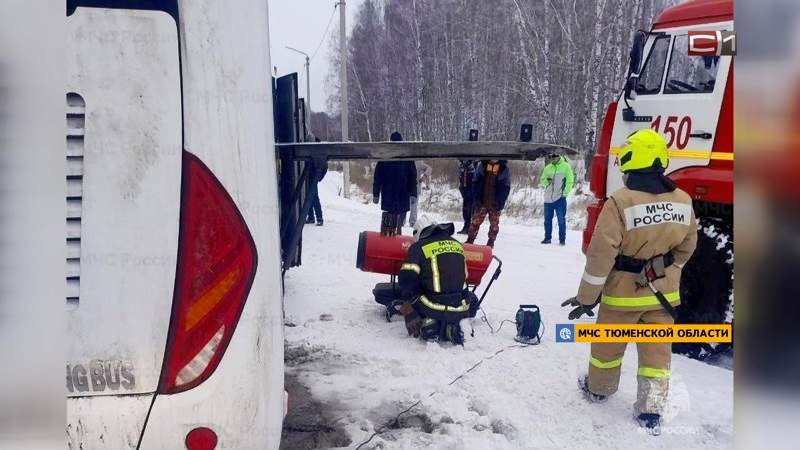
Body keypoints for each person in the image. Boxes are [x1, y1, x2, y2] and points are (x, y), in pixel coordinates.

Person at [561, 129, 697, 435]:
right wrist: (665, 269)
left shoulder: (620, 202)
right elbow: (687, 248)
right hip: (663, 296)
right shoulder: (683, 199)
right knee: (656, 355)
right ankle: (650, 411)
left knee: (608, 347)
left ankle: (600, 389)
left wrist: (586, 297)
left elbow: (601, 255)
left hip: (622, 296)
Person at [397, 215, 478, 344]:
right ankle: (452, 327)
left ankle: (430, 325)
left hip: (433, 308)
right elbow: (465, 277)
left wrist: (408, 306)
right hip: (461, 307)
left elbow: (406, 279)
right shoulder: (457, 245)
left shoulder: (418, 248)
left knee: (416, 295)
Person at [373, 132, 418, 235]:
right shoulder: (407, 156)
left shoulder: (385, 156)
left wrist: (376, 193)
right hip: (402, 193)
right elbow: (412, 177)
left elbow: (377, 176)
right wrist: (413, 193)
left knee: (389, 218)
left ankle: (387, 238)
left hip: (389, 193)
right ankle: (396, 239)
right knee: (398, 220)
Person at [466, 160, 510, 248]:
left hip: (495, 203)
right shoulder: (482, 166)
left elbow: (506, 187)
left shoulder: (503, 169)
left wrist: (500, 203)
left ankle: (491, 242)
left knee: (494, 224)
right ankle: (470, 240)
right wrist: (476, 199)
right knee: (475, 222)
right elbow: (475, 182)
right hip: (482, 201)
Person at [539, 152, 574, 245]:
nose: (552, 159)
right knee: (547, 220)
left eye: (553, 157)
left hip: (560, 199)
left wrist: (565, 193)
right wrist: (546, 182)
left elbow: (570, 181)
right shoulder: (548, 168)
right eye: (550, 157)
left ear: (559, 156)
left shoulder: (566, 166)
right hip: (548, 199)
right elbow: (542, 179)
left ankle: (562, 240)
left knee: (561, 220)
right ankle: (547, 238)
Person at [305, 159, 328, 226]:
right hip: (310, 176)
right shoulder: (319, 157)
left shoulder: (319, 157)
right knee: (310, 197)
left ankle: (319, 218)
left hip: (312, 177)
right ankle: (312, 217)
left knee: (314, 198)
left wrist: (318, 177)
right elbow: (325, 167)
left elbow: (325, 167)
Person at [457, 160, 478, 234]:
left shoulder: (474, 165)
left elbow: (476, 180)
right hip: (465, 191)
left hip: (472, 192)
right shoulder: (462, 165)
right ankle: (466, 227)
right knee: (465, 211)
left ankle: (469, 228)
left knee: (470, 211)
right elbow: (460, 178)